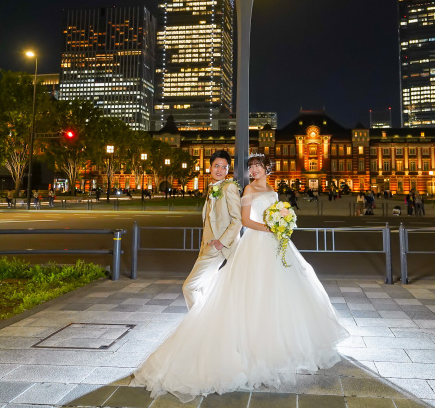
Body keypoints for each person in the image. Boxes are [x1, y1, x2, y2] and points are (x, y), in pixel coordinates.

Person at [132, 153, 348, 402]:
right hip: (257, 242)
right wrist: (270, 227)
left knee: (279, 292)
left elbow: (266, 213)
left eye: (257, 166)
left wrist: (282, 224)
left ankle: (275, 342)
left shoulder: (271, 188)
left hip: (274, 242)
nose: (254, 170)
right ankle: (214, 326)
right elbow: (245, 220)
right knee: (250, 290)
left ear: (267, 168)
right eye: (251, 167)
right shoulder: (246, 188)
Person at [181, 150, 242, 310]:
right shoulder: (212, 188)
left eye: (224, 167)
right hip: (207, 248)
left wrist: (221, 243)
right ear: (210, 167)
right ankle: (206, 324)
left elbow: (238, 219)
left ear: (228, 170)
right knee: (203, 288)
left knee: (190, 287)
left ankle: (197, 323)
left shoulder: (229, 187)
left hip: (217, 248)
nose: (220, 170)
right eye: (217, 166)